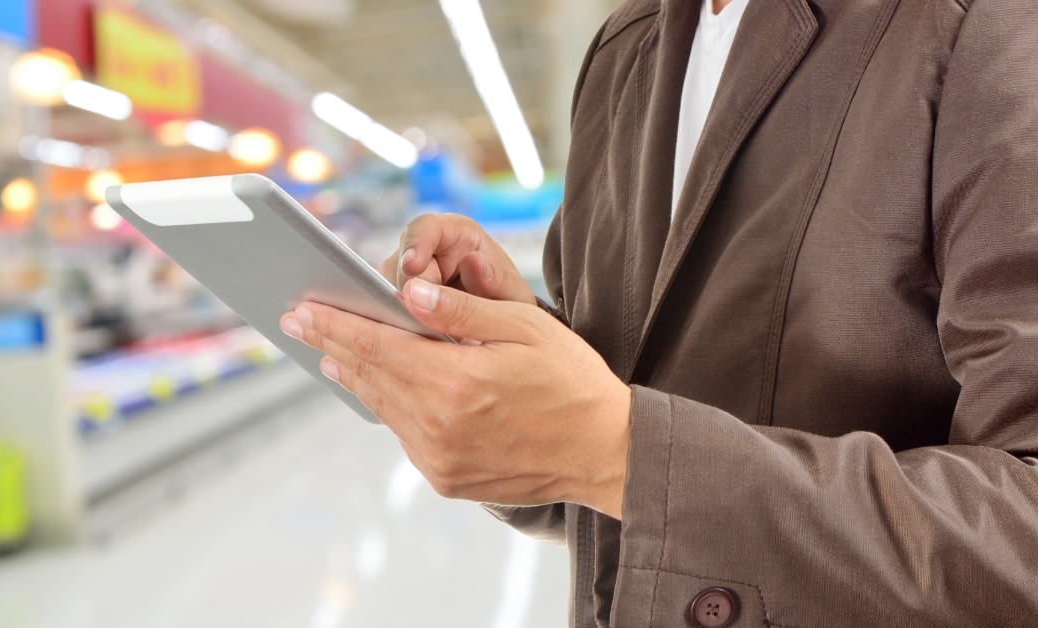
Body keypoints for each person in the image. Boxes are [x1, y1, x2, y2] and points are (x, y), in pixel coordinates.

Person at [279, 0, 1038, 624]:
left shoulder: (981, 25)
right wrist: (512, 381)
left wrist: (624, 452)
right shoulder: (626, 48)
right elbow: (610, 489)